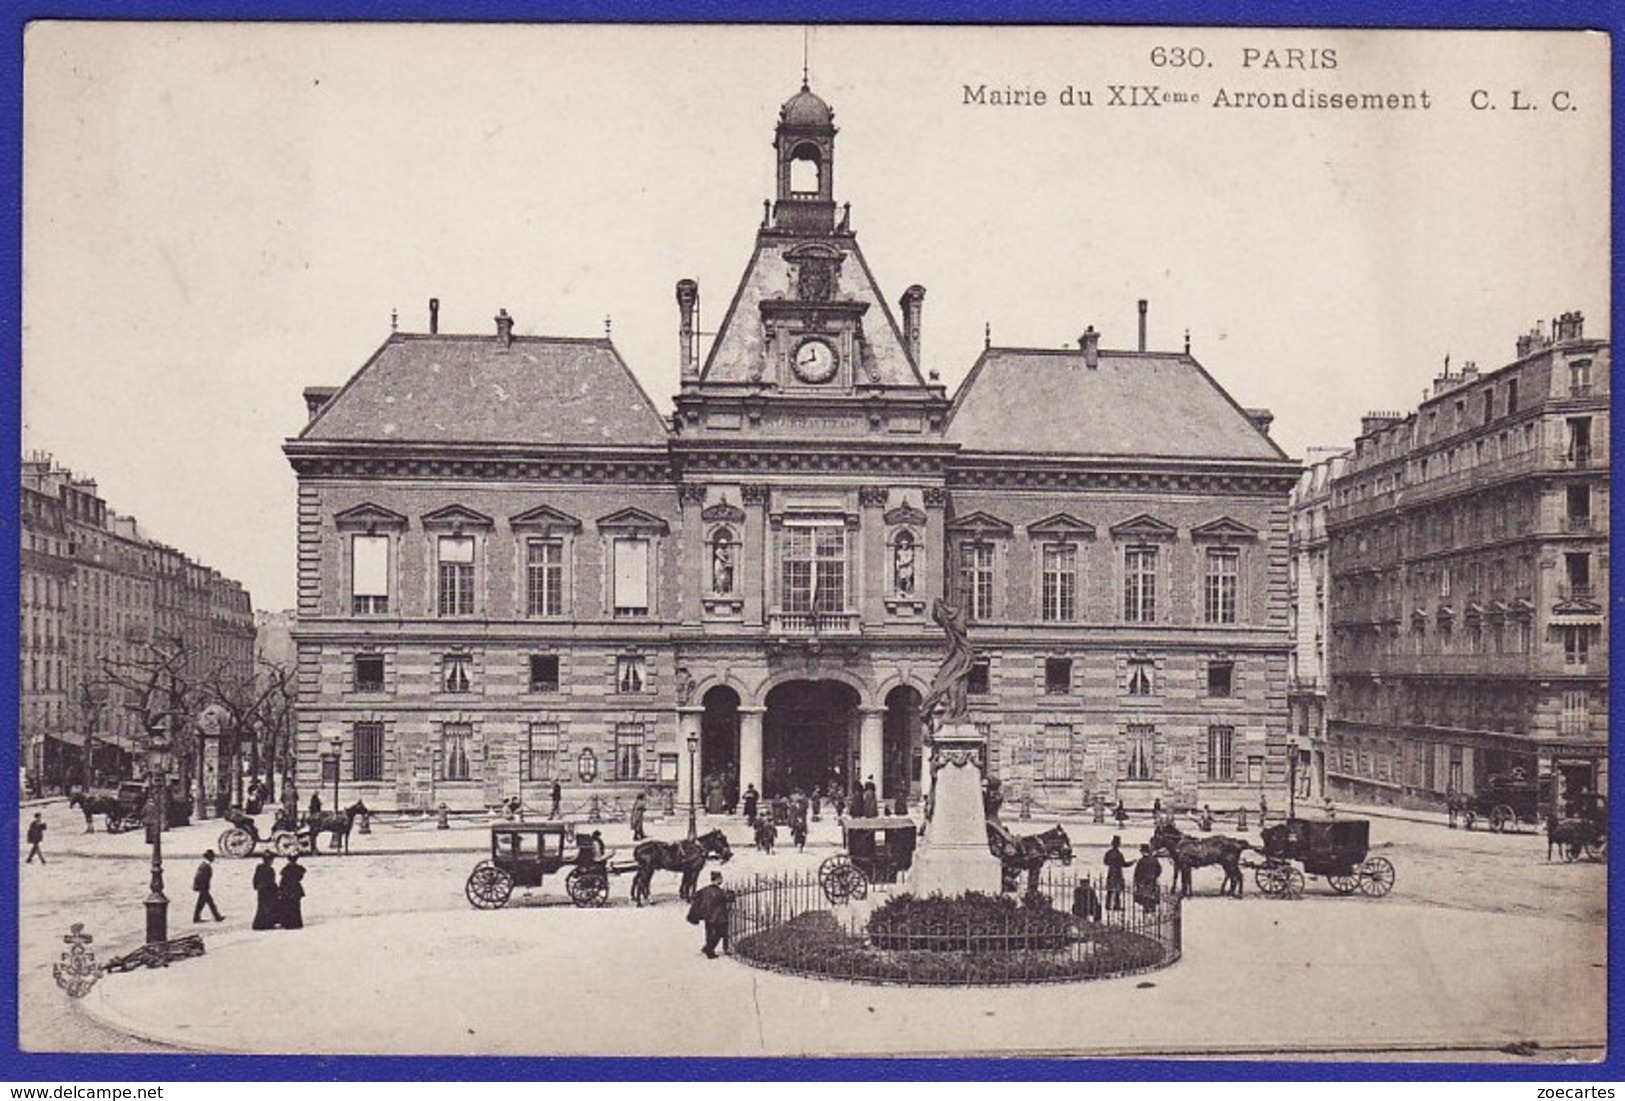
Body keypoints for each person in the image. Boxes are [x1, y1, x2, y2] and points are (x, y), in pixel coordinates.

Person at [686, 870, 733, 959]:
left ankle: (707, 948)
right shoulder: (719, 892)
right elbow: (728, 898)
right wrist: (731, 893)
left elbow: (695, 896)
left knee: (709, 934)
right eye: (720, 879)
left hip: (707, 916)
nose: (721, 880)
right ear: (718, 879)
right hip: (718, 917)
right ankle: (710, 950)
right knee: (720, 933)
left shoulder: (705, 890)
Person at [192, 849, 224, 922]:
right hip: (203, 888)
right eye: (212, 857)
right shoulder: (205, 866)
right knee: (209, 903)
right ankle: (217, 917)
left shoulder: (204, 865)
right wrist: (201, 888)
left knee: (202, 904)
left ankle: (196, 918)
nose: (213, 859)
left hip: (204, 888)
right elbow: (199, 878)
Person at [1132, 844, 1162, 914]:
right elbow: (1159, 870)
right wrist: (1154, 876)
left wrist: (1137, 882)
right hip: (1152, 881)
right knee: (1152, 896)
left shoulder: (1141, 861)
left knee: (1145, 897)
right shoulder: (1154, 860)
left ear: (1142, 852)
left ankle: (1146, 910)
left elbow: (1137, 873)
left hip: (1144, 882)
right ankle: (1152, 910)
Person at [252, 853, 279, 929]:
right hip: (268, 890)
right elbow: (271, 882)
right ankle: (267, 923)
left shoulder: (259, 868)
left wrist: (256, 886)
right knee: (268, 907)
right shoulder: (270, 870)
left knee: (261, 907)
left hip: (261, 890)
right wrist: (276, 889)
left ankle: (259, 923)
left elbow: (255, 878)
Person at [278, 854, 306, 929]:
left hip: (287, 889)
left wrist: (280, 889)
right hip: (295, 889)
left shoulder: (286, 869)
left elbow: (283, 880)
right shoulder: (299, 869)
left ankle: (287, 922)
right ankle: (295, 922)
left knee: (288, 906)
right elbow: (300, 877)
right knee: (295, 906)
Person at [1102, 834, 1128, 912]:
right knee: (1117, 890)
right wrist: (1131, 863)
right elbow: (1123, 864)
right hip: (1117, 872)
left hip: (1110, 872)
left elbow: (1105, 862)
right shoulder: (1119, 854)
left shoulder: (1109, 853)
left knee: (1110, 890)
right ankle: (1116, 905)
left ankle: (1108, 905)